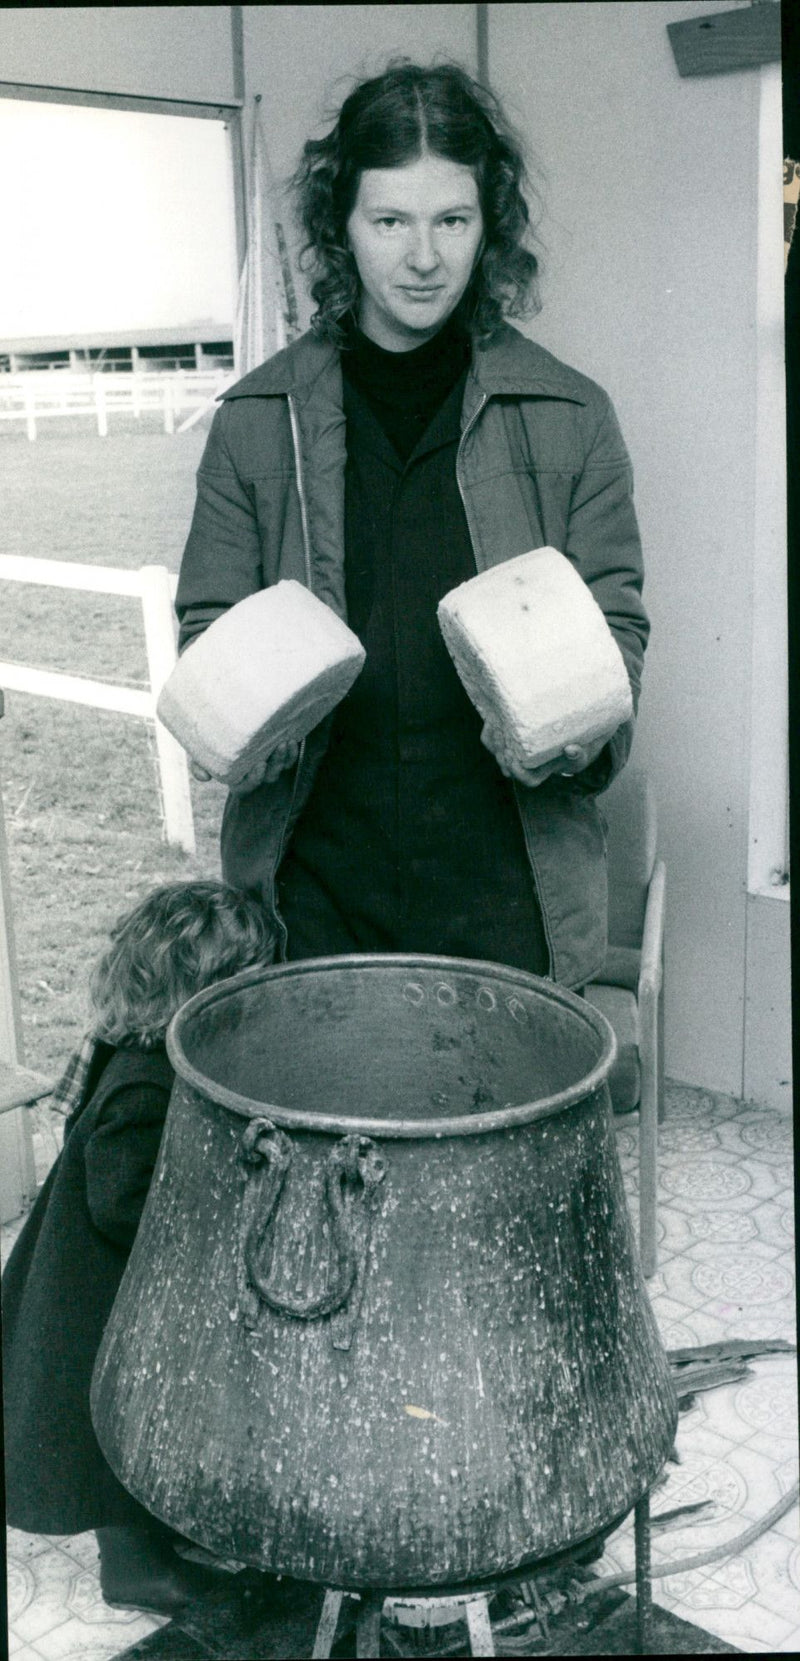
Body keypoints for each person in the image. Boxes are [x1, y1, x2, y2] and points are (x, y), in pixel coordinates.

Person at [176, 60, 649, 990]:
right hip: (311, 882)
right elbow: (208, 636)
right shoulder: (254, 419)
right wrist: (239, 713)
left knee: (485, 1132)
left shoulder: (571, 415)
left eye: (452, 220)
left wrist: (580, 725)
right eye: (390, 220)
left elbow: (617, 634)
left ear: (489, 225)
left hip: (505, 878)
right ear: (341, 227)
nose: (423, 256)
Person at [1, 880, 274, 1615]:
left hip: (117, 1289)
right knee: (106, 1438)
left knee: (147, 1423)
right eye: (240, 989)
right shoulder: (144, 1087)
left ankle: (158, 1530)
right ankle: (133, 1567)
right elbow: (119, 1201)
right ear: (194, 996)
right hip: (95, 1305)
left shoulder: (141, 1049)